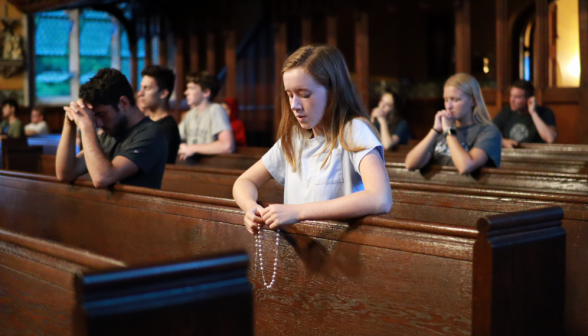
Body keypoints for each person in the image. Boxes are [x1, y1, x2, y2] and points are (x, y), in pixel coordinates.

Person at [232, 45, 393, 235]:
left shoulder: (353, 130)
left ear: (333, 92)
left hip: (341, 248)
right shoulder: (294, 138)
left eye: (304, 95)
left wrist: (299, 211)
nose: (294, 105)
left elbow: (380, 198)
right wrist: (250, 207)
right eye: (290, 95)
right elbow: (245, 181)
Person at [55, 68, 168, 189]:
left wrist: (86, 126)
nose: (97, 123)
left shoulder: (151, 133)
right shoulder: (110, 134)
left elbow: (102, 178)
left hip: (139, 207)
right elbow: (65, 174)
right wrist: (69, 123)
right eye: (94, 116)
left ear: (124, 103)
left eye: (102, 114)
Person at [405, 73, 501, 174]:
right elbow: (410, 164)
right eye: (446, 100)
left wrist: (449, 131)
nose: (448, 106)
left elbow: (465, 166)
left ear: (473, 101)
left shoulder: (489, 132)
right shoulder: (441, 131)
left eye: (455, 100)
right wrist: (435, 130)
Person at [178, 72, 234, 160]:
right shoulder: (190, 114)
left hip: (212, 166)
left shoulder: (216, 110)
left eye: (191, 88)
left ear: (206, 92)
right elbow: (175, 137)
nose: (186, 92)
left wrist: (192, 148)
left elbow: (226, 146)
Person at [493, 80, 557, 147]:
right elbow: (486, 135)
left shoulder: (544, 113)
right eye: (511, 96)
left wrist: (533, 113)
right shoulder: (505, 113)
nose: (511, 100)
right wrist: (503, 142)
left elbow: (550, 138)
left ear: (529, 99)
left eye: (517, 97)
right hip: (511, 156)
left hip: (535, 156)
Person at [137, 65, 181, 164]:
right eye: (141, 88)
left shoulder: (167, 128)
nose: (140, 93)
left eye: (147, 88)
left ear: (163, 94)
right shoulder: (144, 123)